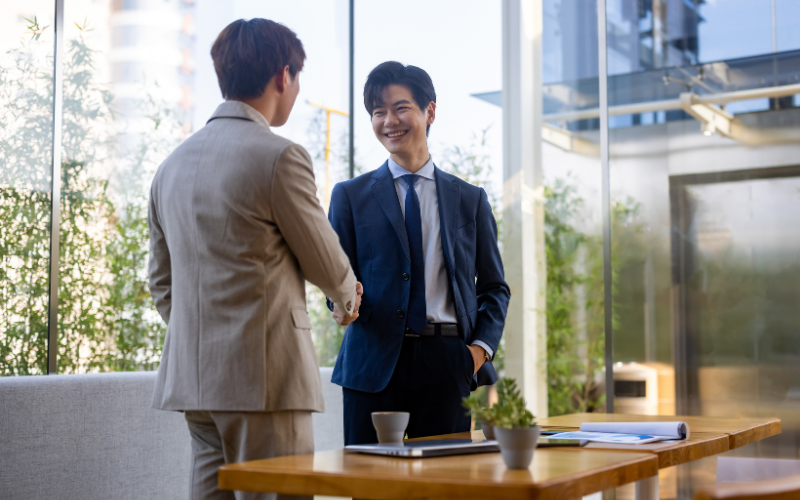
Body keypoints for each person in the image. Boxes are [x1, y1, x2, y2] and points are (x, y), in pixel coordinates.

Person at [148, 18, 361, 500]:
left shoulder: (170, 167)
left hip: (196, 383)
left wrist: (205, 336)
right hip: (264, 380)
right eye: (297, 80)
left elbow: (162, 284)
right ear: (283, 76)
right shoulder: (278, 156)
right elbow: (325, 261)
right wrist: (348, 298)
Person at [327, 61, 510, 445]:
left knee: (443, 485)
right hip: (371, 362)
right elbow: (336, 278)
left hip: (447, 361)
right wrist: (341, 303)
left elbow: (494, 288)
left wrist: (476, 353)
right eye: (378, 112)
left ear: (429, 111)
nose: (388, 121)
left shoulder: (470, 200)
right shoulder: (350, 196)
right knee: (369, 485)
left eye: (400, 108)